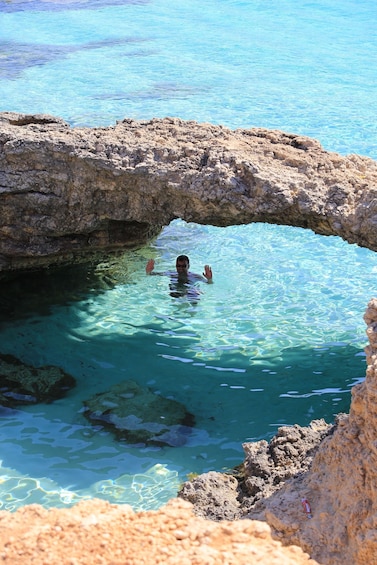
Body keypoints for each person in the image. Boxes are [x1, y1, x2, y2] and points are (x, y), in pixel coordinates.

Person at [146, 255, 213, 298]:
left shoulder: (195, 276)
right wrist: (149, 271)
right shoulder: (172, 274)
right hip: (176, 292)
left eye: (183, 266)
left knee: (194, 297)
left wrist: (209, 278)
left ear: (188, 266)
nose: (180, 268)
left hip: (190, 291)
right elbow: (153, 274)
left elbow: (209, 283)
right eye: (178, 266)